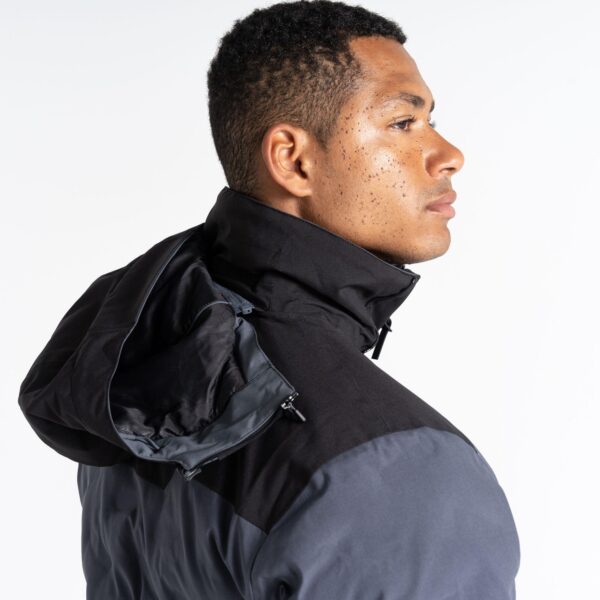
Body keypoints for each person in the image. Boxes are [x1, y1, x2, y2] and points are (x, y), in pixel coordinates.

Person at [18, 1, 521, 598]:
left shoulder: (141, 376)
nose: (449, 154)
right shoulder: (400, 472)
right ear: (292, 159)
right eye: (403, 123)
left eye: (432, 120)